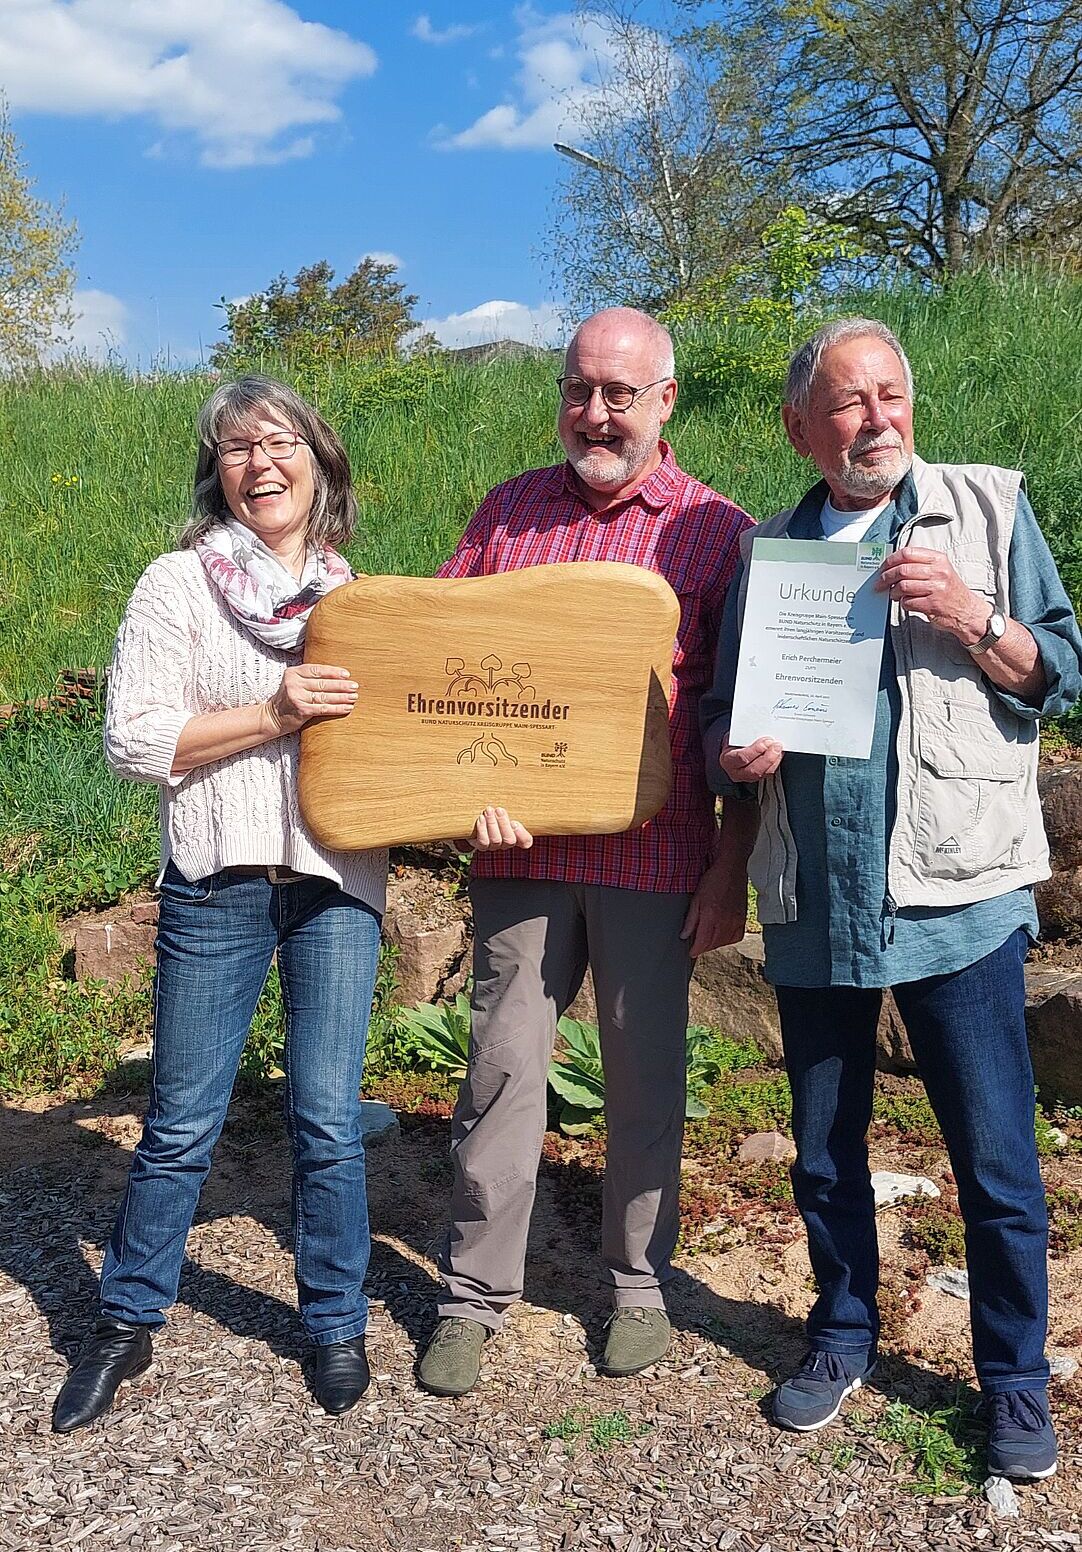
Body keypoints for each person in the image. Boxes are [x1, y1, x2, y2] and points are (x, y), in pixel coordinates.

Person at [700, 318, 1082, 1481]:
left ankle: (1012, 1381)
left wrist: (973, 616)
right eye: (847, 402)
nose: (875, 418)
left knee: (997, 1160)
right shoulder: (769, 555)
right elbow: (726, 724)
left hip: (954, 895)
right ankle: (842, 1333)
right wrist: (737, 758)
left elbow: (1059, 670)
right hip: (817, 895)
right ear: (798, 427)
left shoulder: (982, 510)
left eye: (889, 395)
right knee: (823, 1150)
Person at [417, 307, 757, 1397]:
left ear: (666, 401)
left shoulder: (717, 531)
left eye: (620, 392)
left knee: (644, 1081)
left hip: (655, 858)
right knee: (500, 1075)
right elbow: (438, 664)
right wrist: (465, 793)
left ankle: (638, 1285)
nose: (595, 412)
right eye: (579, 389)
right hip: (517, 855)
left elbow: (742, 722)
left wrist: (729, 865)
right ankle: (473, 1293)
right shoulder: (506, 512)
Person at [51, 376, 388, 1432]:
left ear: (319, 462)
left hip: (337, 883)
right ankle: (125, 1319)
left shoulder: (364, 604)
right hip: (216, 879)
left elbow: (403, 741)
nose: (260, 464)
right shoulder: (175, 585)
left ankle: (333, 1319)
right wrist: (273, 712)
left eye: (279, 441)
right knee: (184, 1117)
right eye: (237, 448)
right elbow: (134, 741)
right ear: (219, 472)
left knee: (328, 1119)